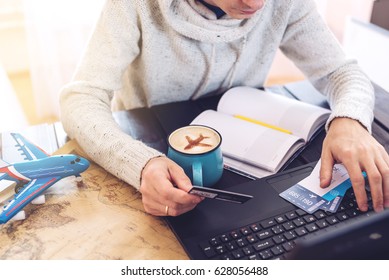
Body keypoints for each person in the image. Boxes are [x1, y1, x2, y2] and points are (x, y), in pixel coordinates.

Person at [60, 0, 389, 217]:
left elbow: (342, 72)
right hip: (154, 147)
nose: (256, 4)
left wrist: (350, 121)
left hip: (245, 153)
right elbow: (80, 99)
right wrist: (140, 164)